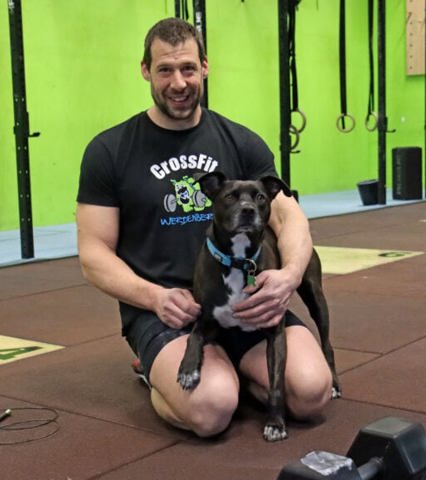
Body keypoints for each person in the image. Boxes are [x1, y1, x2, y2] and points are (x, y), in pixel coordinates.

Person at [76, 17, 333, 438]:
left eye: (188, 69)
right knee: (213, 410)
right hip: (169, 312)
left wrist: (287, 278)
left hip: (248, 304)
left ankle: (232, 374)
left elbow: (292, 219)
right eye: (165, 70)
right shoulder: (109, 150)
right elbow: (93, 254)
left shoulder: (241, 141)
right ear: (145, 70)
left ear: (205, 68)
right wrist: (154, 297)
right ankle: (159, 375)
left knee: (311, 393)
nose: (178, 82)